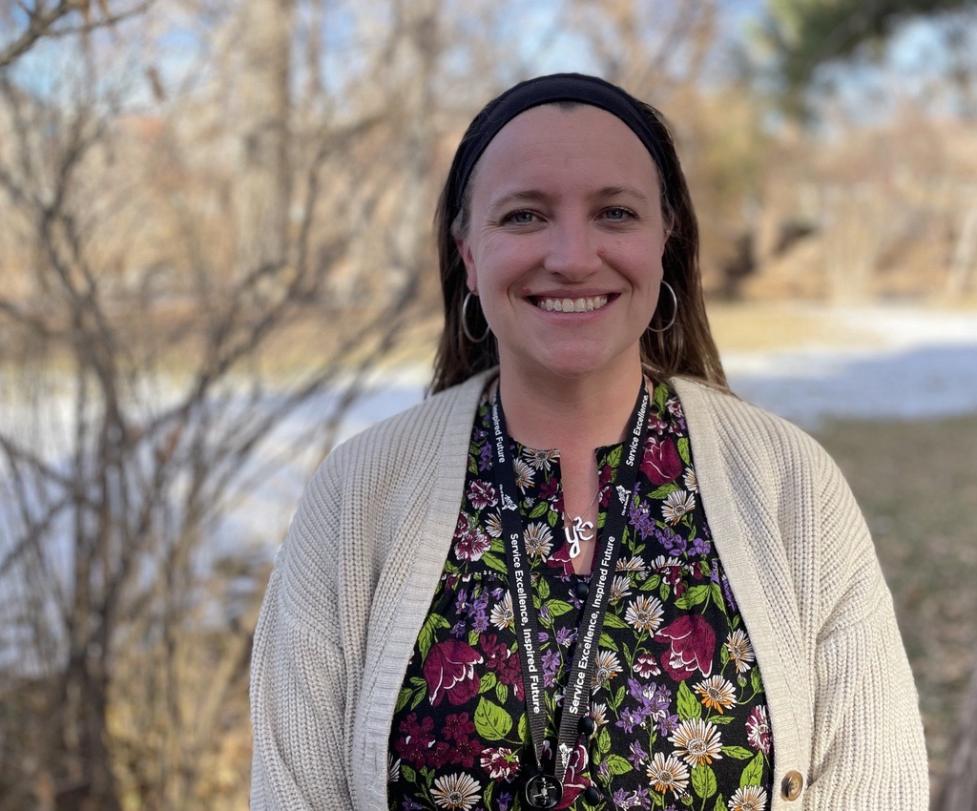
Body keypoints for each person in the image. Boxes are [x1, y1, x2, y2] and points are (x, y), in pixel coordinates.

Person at [249, 74, 927, 811]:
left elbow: (875, 787)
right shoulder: (358, 495)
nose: (572, 256)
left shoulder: (790, 484)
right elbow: (296, 791)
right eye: (523, 215)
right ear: (468, 254)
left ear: (664, 239)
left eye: (614, 211)